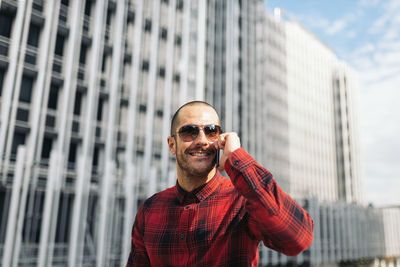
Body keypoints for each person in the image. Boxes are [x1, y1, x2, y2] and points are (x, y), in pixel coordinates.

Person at [126, 101, 313, 266]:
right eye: (189, 132)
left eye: (211, 131)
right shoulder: (150, 209)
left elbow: (298, 238)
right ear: (172, 145)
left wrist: (236, 157)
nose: (202, 141)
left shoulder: (243, 199)